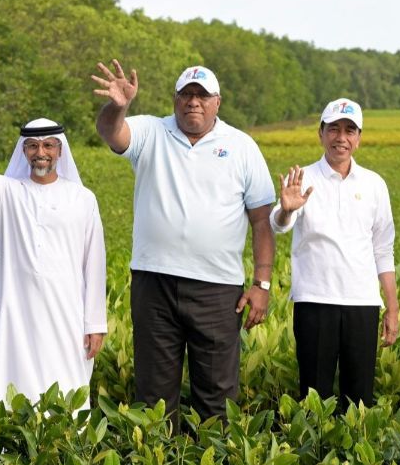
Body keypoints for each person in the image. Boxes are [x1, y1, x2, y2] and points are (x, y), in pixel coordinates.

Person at [92, 60, 275, 427]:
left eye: (202, 96)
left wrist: (262, 284)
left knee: (218, 390)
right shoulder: (151, 131)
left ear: (217, 102)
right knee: (154, 390)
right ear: (175, 100)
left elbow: (261, 220)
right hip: (154, 282)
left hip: (218, 288)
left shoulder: (241, 146)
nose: (194, 102)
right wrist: (118, 106)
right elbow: (113, 133)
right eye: (187, 95)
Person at [0, 87, 107, 409]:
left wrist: (95, 325)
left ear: (60, 151)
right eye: (32, 146)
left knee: (66, 388)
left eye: (48, 145)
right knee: (11, 387)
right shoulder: (6, 193)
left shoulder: (83, 199)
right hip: (15, 314)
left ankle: (66, 451)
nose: (40, 152)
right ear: (24, 152)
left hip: (67, 314)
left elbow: (95, 265)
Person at [270, 98, 399, 410]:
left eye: (350, 130)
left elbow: (383, 249)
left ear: (358, 137)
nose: (341, 137)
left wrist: (392, 308)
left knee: (360, 398)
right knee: (314, 396)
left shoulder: (374, 184)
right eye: (334, 129)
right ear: (321, 133)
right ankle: (316, 457)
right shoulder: (304, 179)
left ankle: (353, 454)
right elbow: (279, 224)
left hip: (362, 303)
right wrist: (286, 211)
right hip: (315, 301)